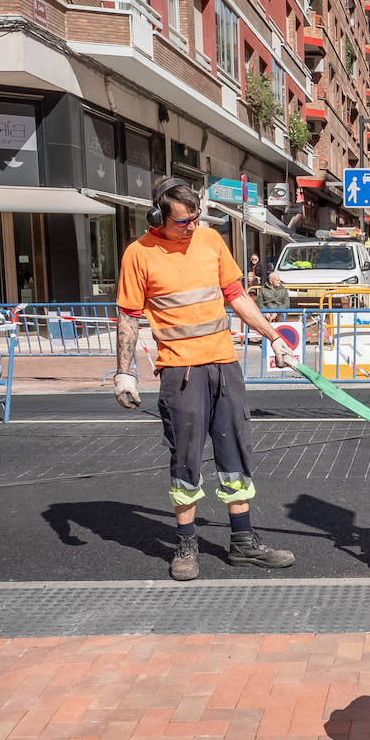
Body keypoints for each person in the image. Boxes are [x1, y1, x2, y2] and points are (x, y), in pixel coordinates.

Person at [112, 178, 299, 581]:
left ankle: (243, 542)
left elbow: (237, 295)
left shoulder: (211, 240)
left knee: (235, 453)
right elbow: (128, 316)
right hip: (181, 372)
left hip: (224, 365)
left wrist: (274, 338)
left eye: (196, 218)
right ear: (158, 217)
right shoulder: (139, 254)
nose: (192, 227)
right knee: (186, 458)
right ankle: (186, 545)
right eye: (183, 222)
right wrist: (124, 372)